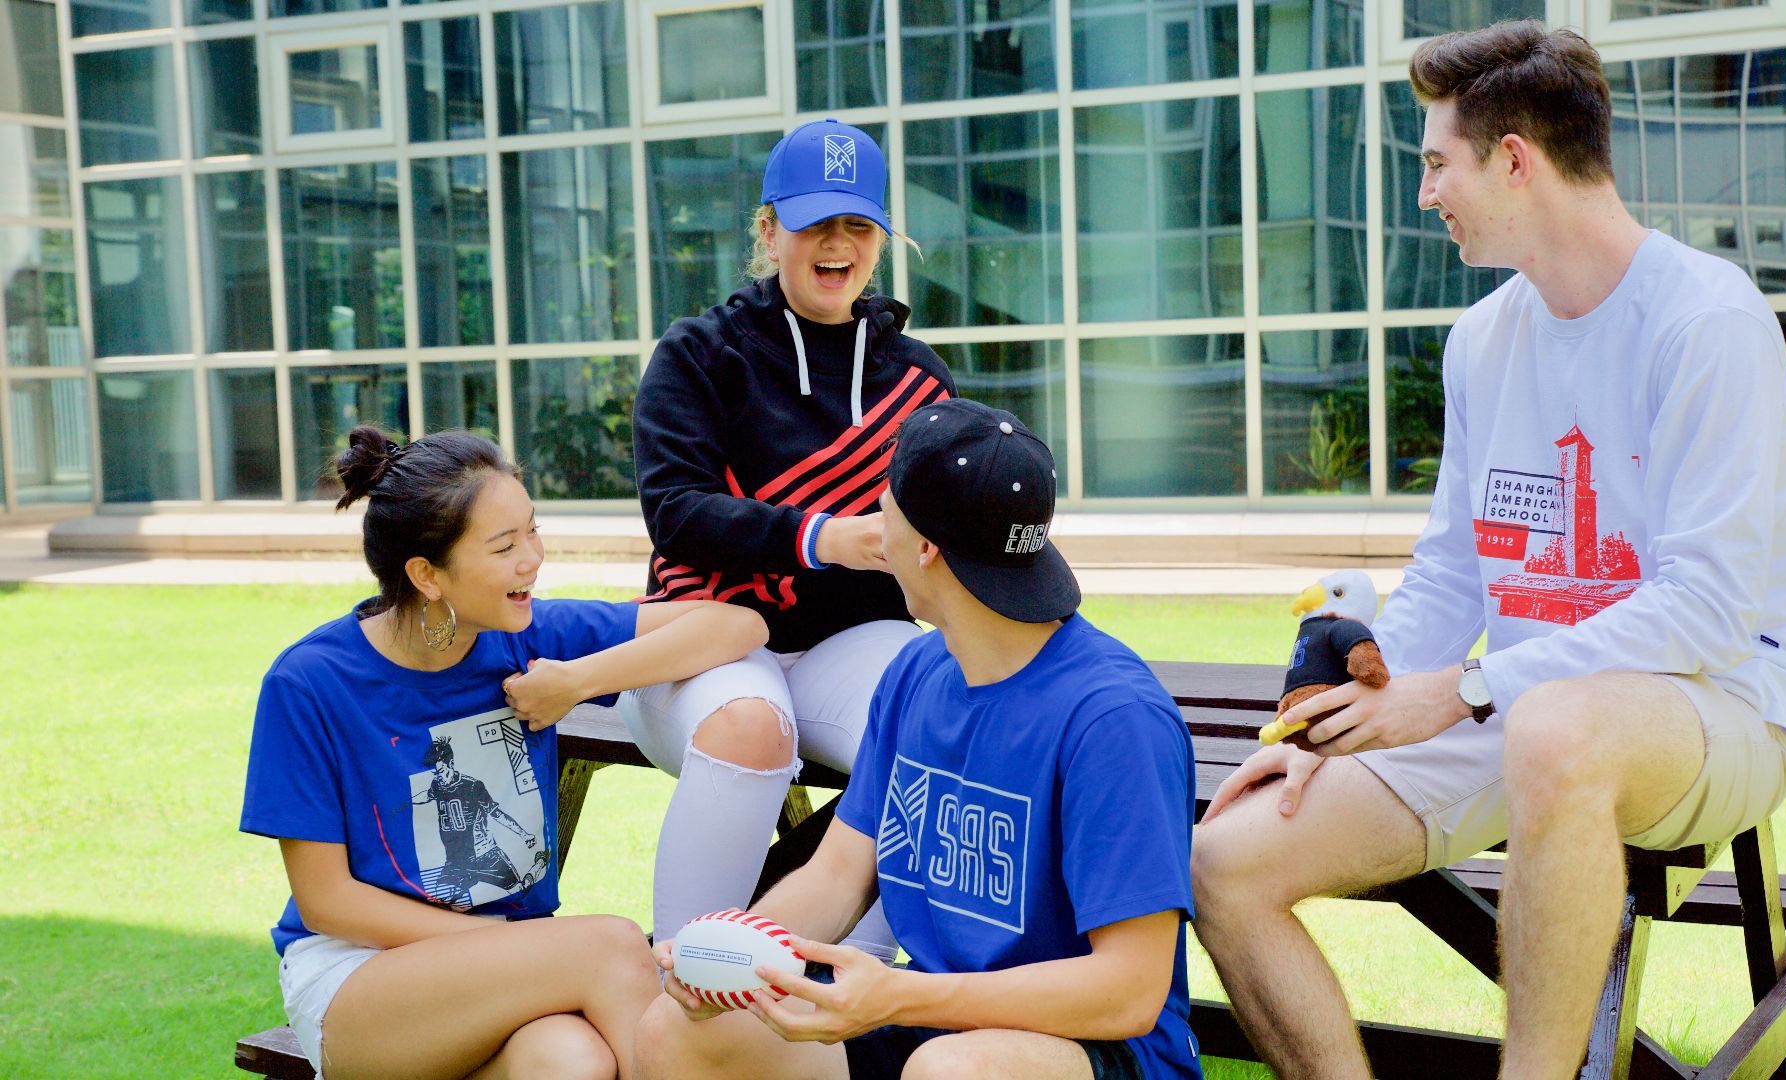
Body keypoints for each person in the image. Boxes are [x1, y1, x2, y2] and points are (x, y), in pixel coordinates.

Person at [1190, 21, 1786, 1079]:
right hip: (1523, 710)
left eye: (1437, 162)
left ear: (1514, 159)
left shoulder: (1706, 322)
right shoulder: (1483, 339)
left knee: (1555, 731)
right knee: (1228, 859)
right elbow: (1455, 568)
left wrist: (1467, 689)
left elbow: (1708, 609)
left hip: (1721, 702)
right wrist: (1344, 712)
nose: (1427, 191)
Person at [633, 399, 1203, 1080]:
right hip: (944, 1020)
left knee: (949, 1072)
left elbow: (1130, 992)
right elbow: (838, 875)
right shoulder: (916, 671)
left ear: (925, 547)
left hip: (1087, 1049)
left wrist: (903, 995)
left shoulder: (1114, 721)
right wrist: (739, 955)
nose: (875, 525)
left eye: (886, 509)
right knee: (679, 1032)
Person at [240, 426, 768, 1080]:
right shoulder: (310, 683)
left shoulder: (531, 637)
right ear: (426, 575)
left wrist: (578, 681)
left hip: (518, 969)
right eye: (505, 545)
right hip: (360, 976)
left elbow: (737, 624)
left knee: (571, 1062)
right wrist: (523, 949)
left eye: (533, 530)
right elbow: (329, 902)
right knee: (611, 946)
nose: (533, 558)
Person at [622, 118, 955, 962]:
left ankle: (846, 986)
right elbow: (677, 512)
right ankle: (684, 988)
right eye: (815, 224)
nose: (837, 245)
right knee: (750, 728)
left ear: (880, 238)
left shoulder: (919, 378)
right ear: (769, 231)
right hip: (703, 639)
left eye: (857, 225)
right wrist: (823, 539)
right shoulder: (699, 353)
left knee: (942, 722)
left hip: (851, 644)